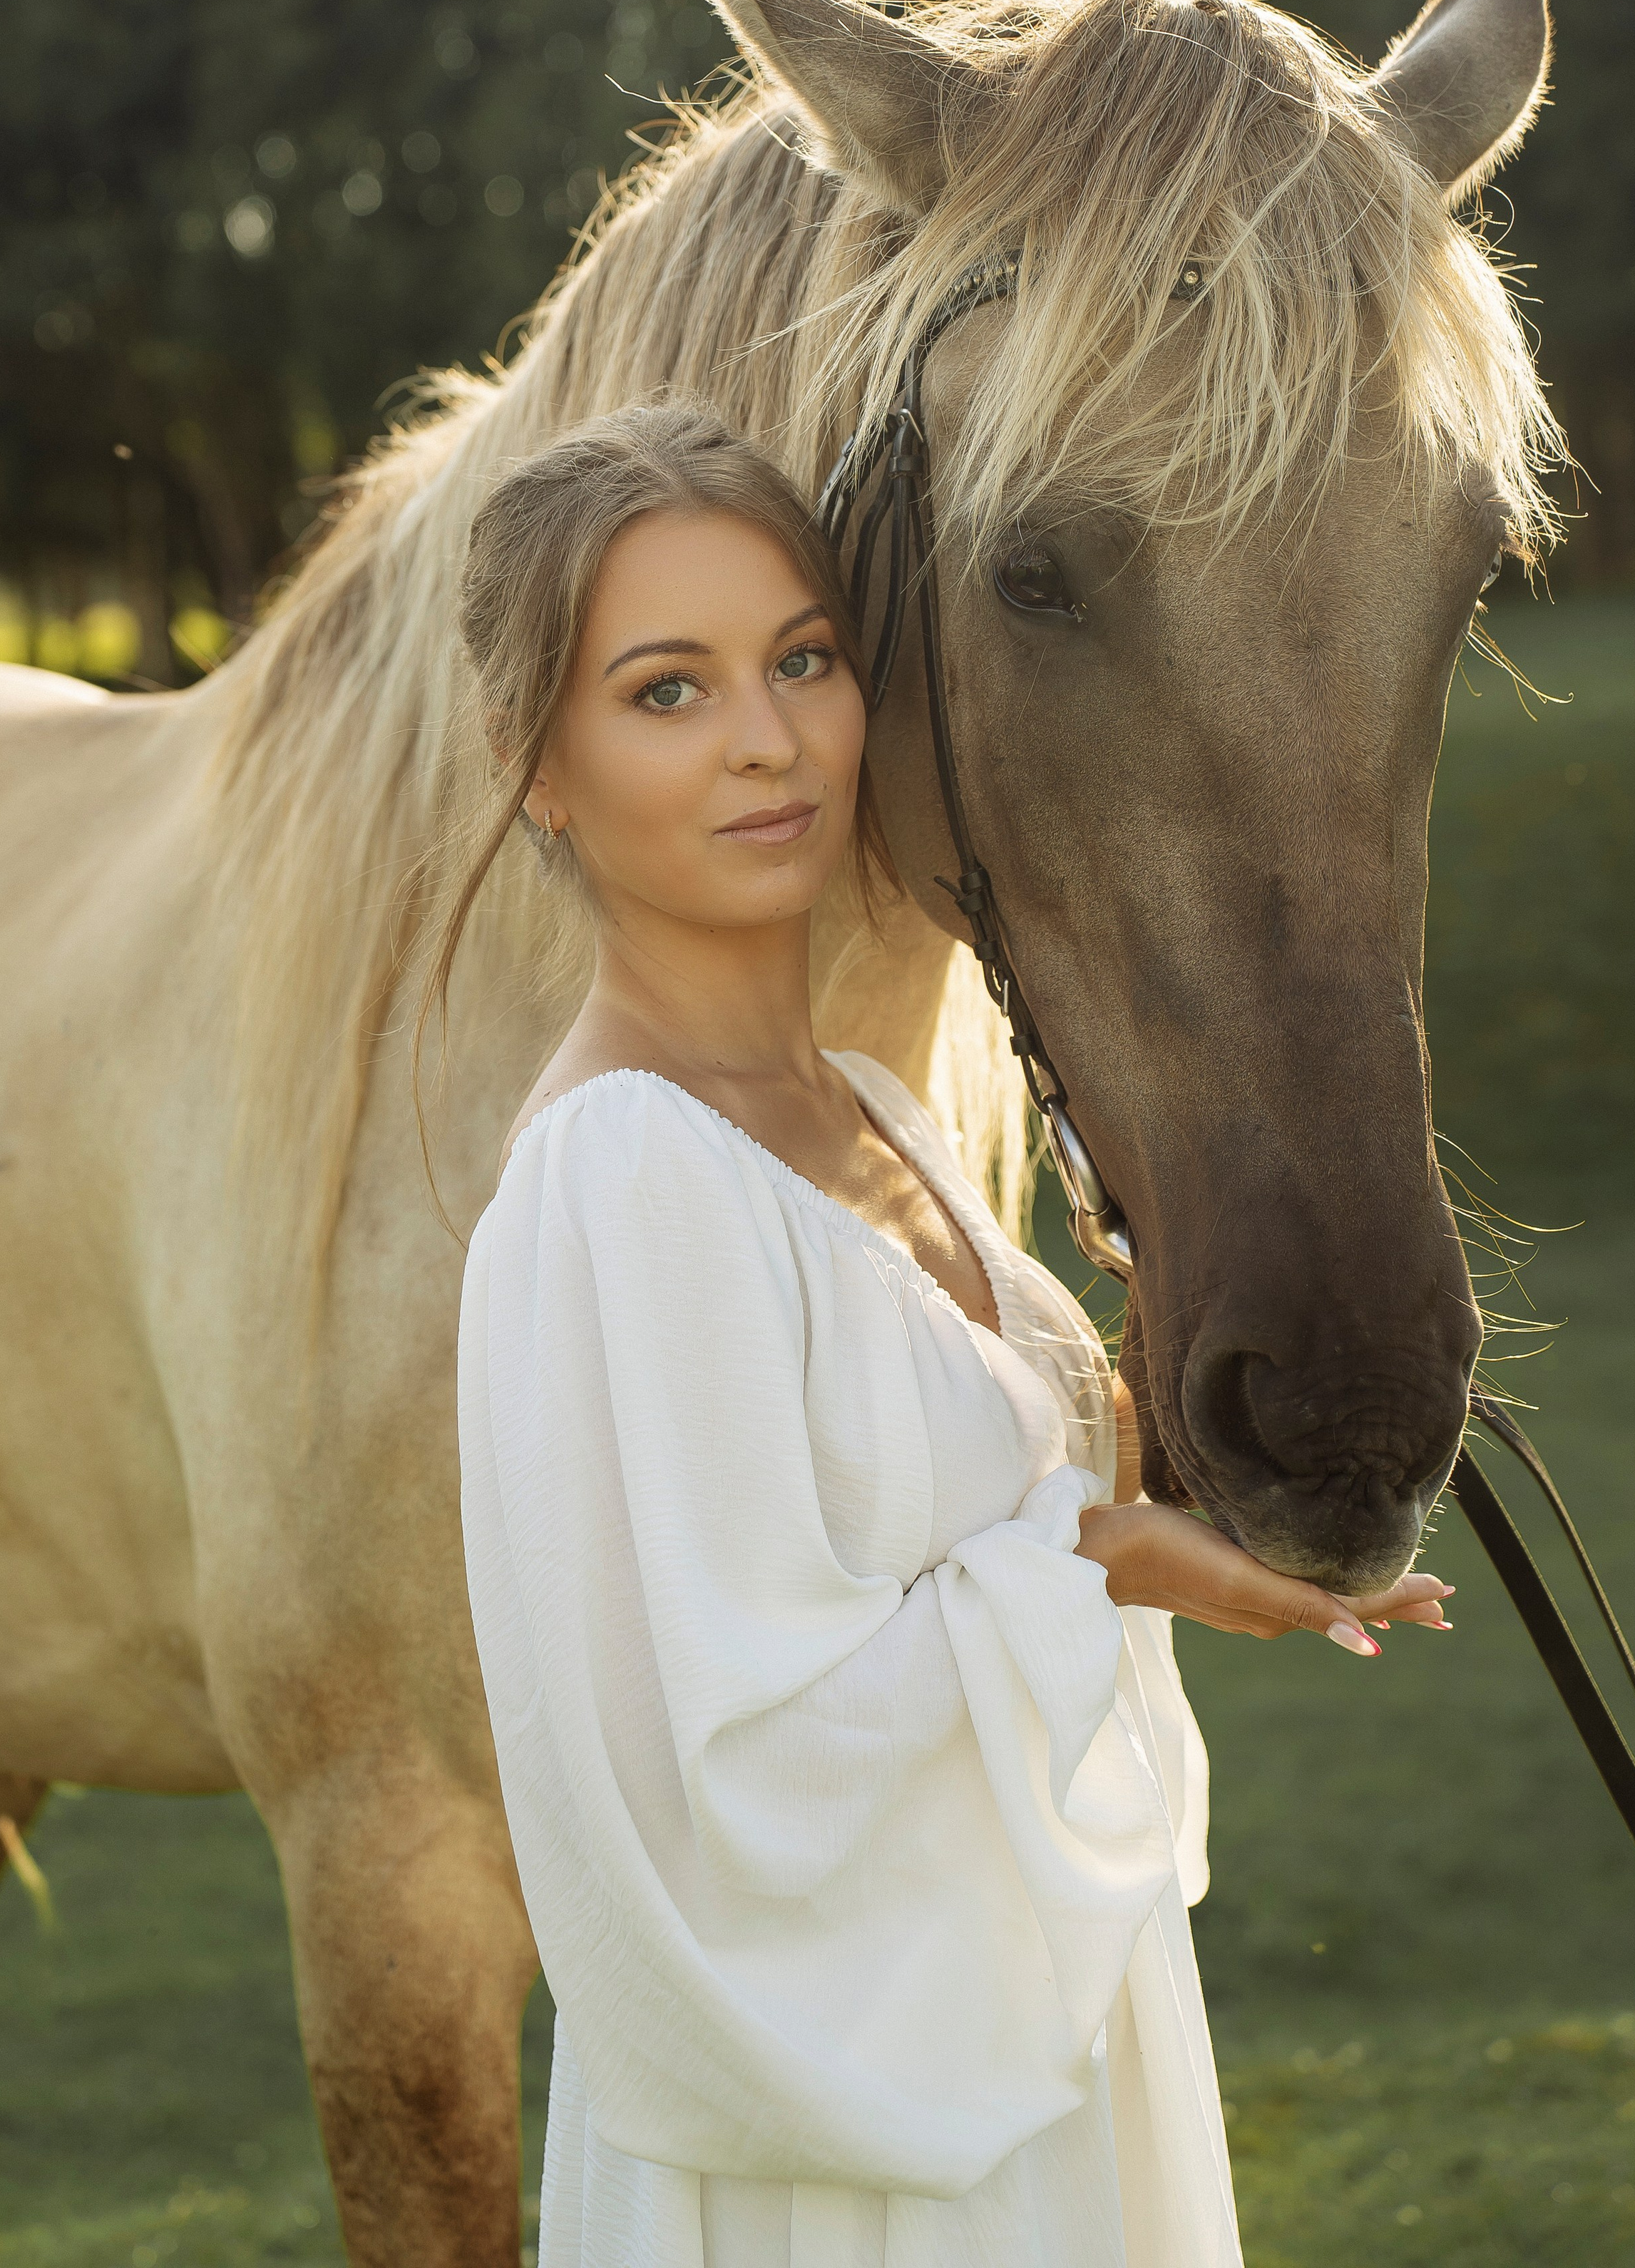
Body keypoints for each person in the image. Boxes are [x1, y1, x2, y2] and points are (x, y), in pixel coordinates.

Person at [442, 401, 1452, 2268]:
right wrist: (1114, 1568)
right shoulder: (617, 1185)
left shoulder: (876, 1113)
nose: (767, 741)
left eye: (802, 661)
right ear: (541, 768)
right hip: (842, 2161)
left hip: (1026, 2063)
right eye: (667, 691)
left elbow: (920, 1540)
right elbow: (714, 1792)